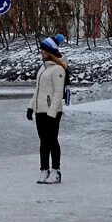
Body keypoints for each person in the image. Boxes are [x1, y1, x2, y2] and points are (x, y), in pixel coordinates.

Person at [27, 37, 67, 184]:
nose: (41, 52)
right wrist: (31, 107)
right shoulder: (42, 68)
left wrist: (52, 113)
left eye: (43, 49)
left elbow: (58, 93)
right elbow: (37, 91)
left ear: (50, 52)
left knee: (52, 141)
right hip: (40, 110)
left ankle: (56, 171)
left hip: (52, 112)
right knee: (43, 142)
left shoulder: (58, 69)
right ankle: (44, 170)